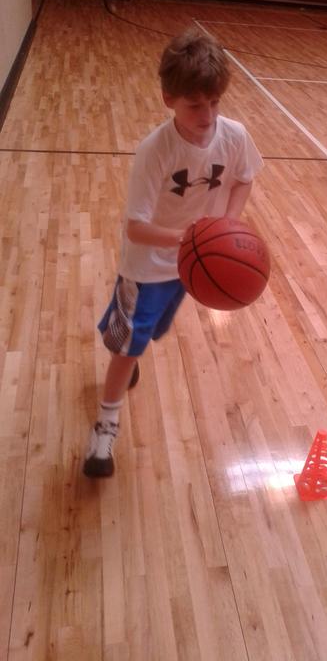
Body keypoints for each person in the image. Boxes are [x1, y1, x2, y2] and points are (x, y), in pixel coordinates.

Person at [84, 29, 264, 478]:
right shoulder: (155, 151)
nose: (208, 115)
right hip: (146, 266)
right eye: (195, 105)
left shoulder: (234, 136)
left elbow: (245, 177)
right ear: (169, 99)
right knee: (128, 348)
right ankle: (105, 427)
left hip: (187, 266)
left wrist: (227, 226)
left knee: (150, 334)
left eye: (214, 103)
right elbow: (135, 227)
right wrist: (192, 239)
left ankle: (125, 343)